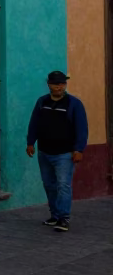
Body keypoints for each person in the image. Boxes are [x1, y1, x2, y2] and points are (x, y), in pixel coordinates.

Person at [27, 70, 87, 233]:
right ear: (49, 85)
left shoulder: (74, 104)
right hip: (44, 152)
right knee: (49, 185)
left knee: (63, 186)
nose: (59, 86)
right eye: (55, 83)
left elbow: (81, 128)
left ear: (65, 85)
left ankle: (64, 218)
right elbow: (34, 123)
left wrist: (79, 149)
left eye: (62, 83)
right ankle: (54, 216)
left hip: (64, 154)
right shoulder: (42, 102)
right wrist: (30, 142)